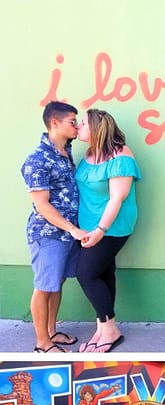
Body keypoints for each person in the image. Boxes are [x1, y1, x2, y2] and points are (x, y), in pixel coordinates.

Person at [74, 108, 142, 353]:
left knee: (87, 274)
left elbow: (117, 197)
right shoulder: (89, 154)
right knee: (103, 272)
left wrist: (100, 230)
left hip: (112, 227)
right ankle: (102, 328)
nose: (78, 126)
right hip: (89, 227)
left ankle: (111, 329)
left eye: (83, 123)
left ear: (96, 127)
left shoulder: (120, 155)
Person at [23, 101, 88, 353]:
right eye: (72, 121)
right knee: (44, 286)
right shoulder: (38, 159)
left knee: (56, 283)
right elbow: (42, 204)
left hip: (66, 232)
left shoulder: (65, 151)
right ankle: (42, 343)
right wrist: (72, 229)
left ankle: (51, 331)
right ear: (54, 123)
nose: (77, 126)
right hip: (48, 233)